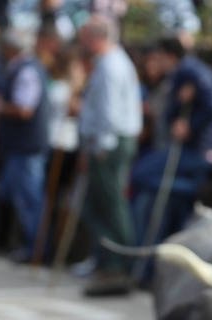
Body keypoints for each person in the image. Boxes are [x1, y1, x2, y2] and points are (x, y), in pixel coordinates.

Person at [130, 36, 212, 250]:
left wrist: (190, 124)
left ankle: (188, 189)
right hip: (192, 150)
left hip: (196, 150)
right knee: (156, 196)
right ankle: (184, 190)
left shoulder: (189, 71)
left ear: (169, 55)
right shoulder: (187, 72)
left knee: (139, 175)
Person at [76, 15, 142, 297]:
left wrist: (101, 144)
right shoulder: (108, 62)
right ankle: (106, 262)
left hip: (110, 143)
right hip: (105, 142)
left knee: (111, 205)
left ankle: (118, 264)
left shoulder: (112, 65)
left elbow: (110, 111)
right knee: (97, 206)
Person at [0, 28, 49, 263]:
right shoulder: (25, 67)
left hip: (26, 147)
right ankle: (28, 245)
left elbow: (24, 109)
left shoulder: (26, 70)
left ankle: (36, 248)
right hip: (21, 146)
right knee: (12, 193)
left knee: (29, 199)